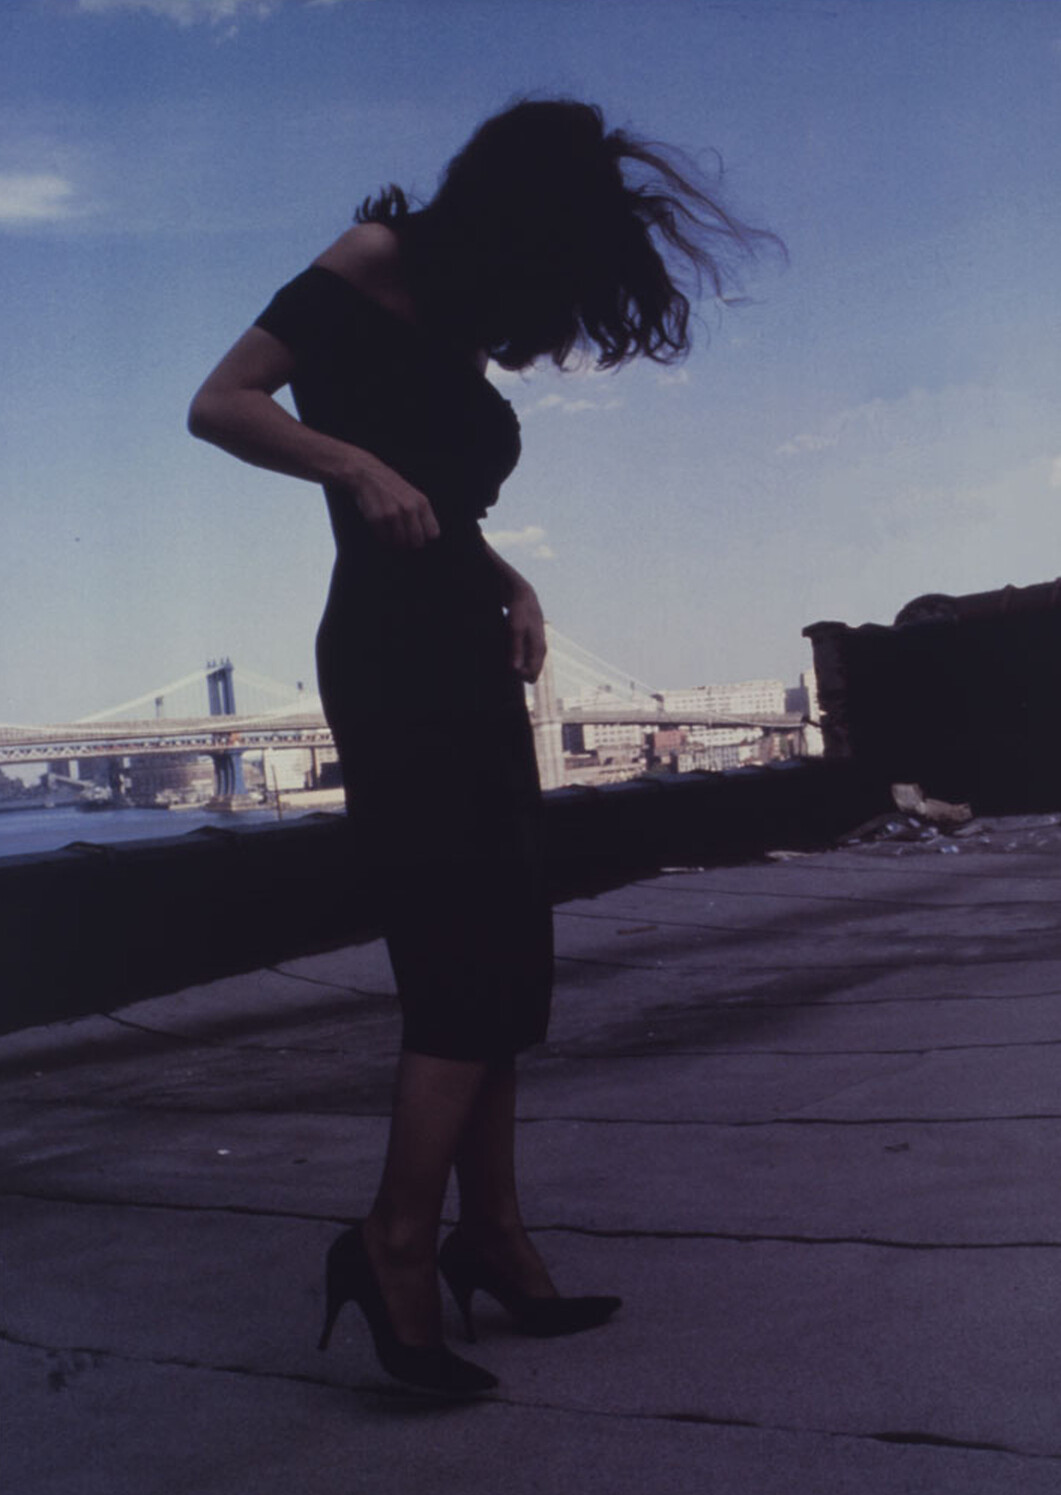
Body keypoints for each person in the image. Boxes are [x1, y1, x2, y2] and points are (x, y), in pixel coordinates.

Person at [189, 97, 775, 1397]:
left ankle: (495, 1239)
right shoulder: (366, 263)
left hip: (466, 640)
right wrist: (347, 464)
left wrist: (510, 577)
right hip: (392, 658)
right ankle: (394, 1242)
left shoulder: (450, 321)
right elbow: (218, 402)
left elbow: (439, 506)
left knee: (504, 954)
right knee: (462, 953)